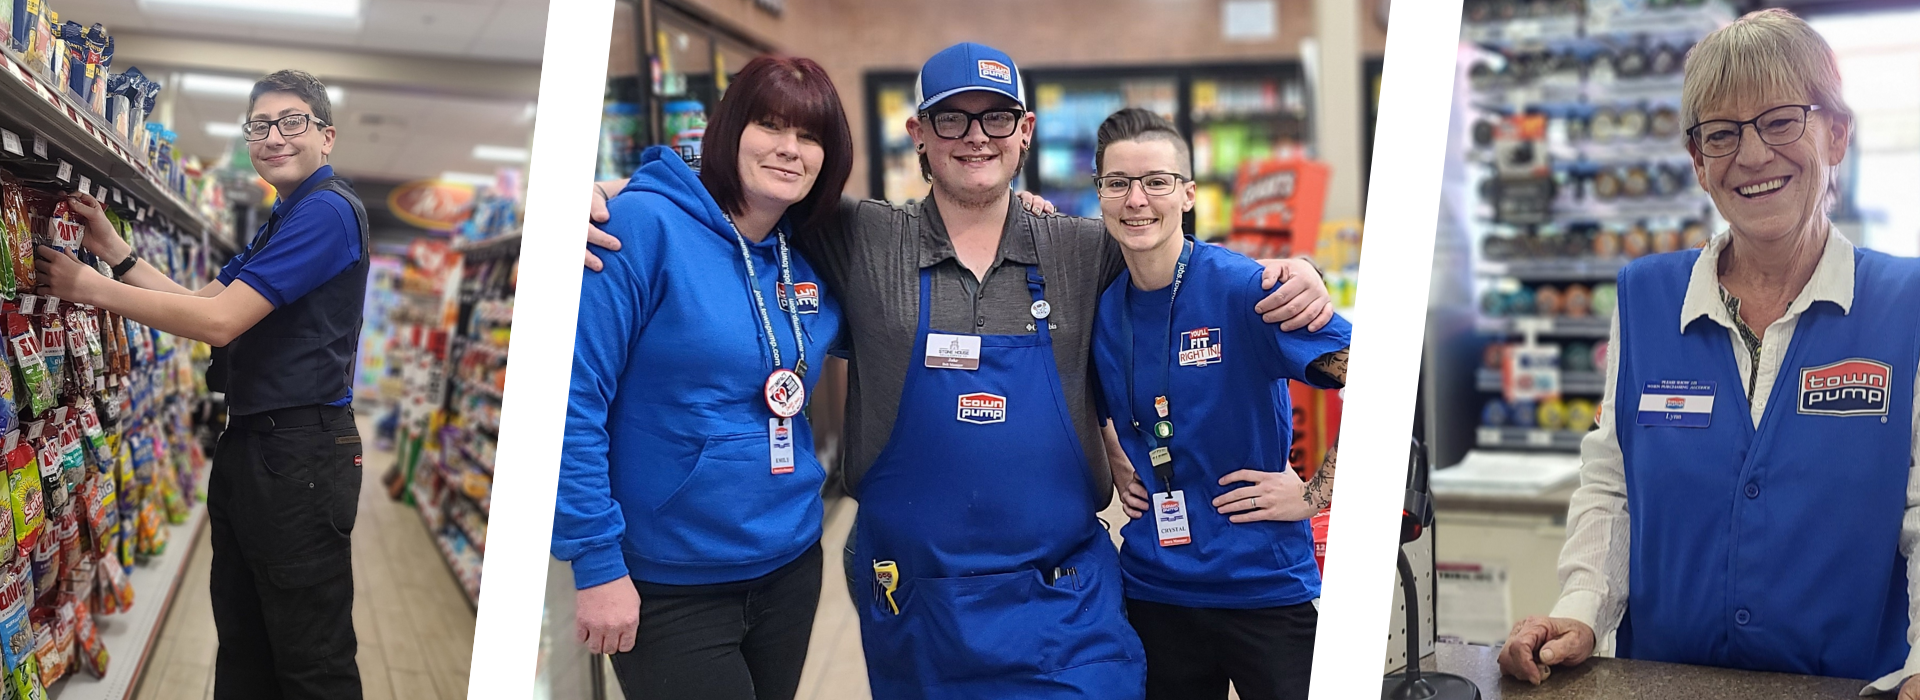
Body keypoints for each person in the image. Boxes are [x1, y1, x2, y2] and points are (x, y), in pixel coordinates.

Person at [581, 43, 1332, 699]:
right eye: (953, 119)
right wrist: (619, 193)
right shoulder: (859, 237)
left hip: (1062, 599)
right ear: (919, 135)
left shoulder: (1080, 248)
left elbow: (1173, 264)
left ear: (1025, 134)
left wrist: (1290, 273)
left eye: (997, 118)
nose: (976, 138)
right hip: (915, 599)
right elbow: (747, 189)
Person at [1495, 10, 1920, 697]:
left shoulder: (1906, 303)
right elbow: (1614, 483)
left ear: (1835, 135)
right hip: (1661, 680)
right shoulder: (1646, 298)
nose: (1752, 156)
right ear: (1698, 162)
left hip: (1847, 687)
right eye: (1721, 134)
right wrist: (1580, 611)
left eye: (1782, 121)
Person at [37, 70, 368, 698]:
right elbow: (202, 301)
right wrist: (117, 254)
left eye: (291, 121)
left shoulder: (327, 212)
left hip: (300, 456)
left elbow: (218, 324)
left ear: (326, 136)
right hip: (257, 447)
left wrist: (89, 288)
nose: (274, 136)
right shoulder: (286, 216)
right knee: (245, 638)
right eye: (260, 125)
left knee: (309, 654)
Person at [550, 56, 851, 700]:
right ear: (727, 127)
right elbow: (571, 402)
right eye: (770, 126)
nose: (790, 150)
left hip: (791, 562)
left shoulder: (816, 247)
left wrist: (1014, 212)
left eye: (810, 135)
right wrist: (595, 562)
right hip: (668, 581)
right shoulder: (637, 228)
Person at [1090, 108, 1350, 700]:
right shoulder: (1103, 309)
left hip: (1263, 589)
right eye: (1118, 184)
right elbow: (1098, 398)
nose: (1137, 200)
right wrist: (1113, 449)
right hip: (1156, 591)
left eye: (1156, 181)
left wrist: (1314, 494)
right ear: (1100, 196)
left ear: (1187, 194)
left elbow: (1380, 381)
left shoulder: (1243, 290)